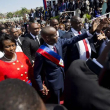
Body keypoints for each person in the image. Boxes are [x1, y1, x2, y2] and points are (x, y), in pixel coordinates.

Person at [34, 21, 100, 104]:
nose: (57, 36)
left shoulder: (58, 42)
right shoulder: (41, 53)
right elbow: (37, 73)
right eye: (54, 35)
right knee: (56, 103)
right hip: (53, 84)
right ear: (47, 38)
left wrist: (89, 32)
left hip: (63, 79)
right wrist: (41, 86)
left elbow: (74, 39)